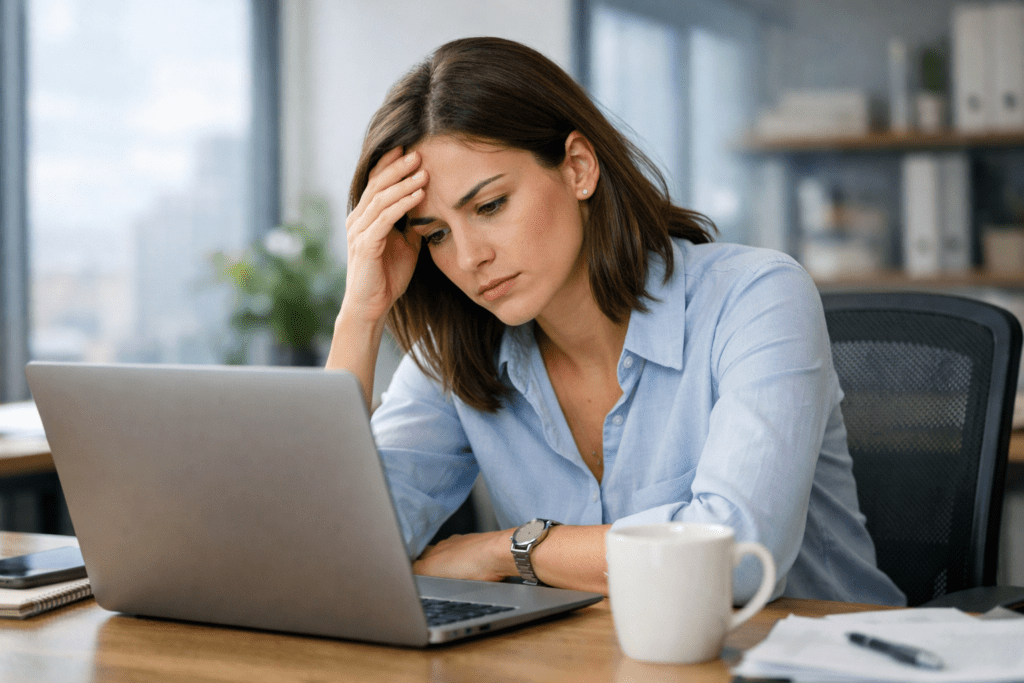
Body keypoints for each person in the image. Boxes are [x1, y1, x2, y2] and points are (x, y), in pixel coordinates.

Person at [326, 36, 905, 606]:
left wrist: (509, 552)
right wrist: (360, 315)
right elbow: (336, 553)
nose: (470, 257)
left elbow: (738, 560)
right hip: (596, 657)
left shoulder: (756, 296)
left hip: (808, 650)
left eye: (490, 205)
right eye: (436, 235)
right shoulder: (457, 355)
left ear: (578, 168)